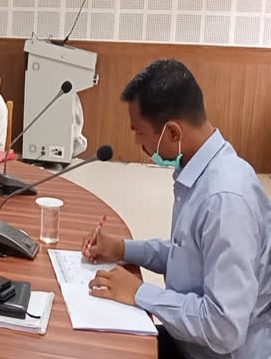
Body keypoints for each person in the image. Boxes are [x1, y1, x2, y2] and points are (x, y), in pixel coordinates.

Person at [82, 59, 271, 359]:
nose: (137, 143)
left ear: (172, 133)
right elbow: (188, 255)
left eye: (140, 132)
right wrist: (122, 249)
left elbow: (224, 328)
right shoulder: (202, 171)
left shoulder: (225, 200)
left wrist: (140, 293)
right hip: (191, 339)